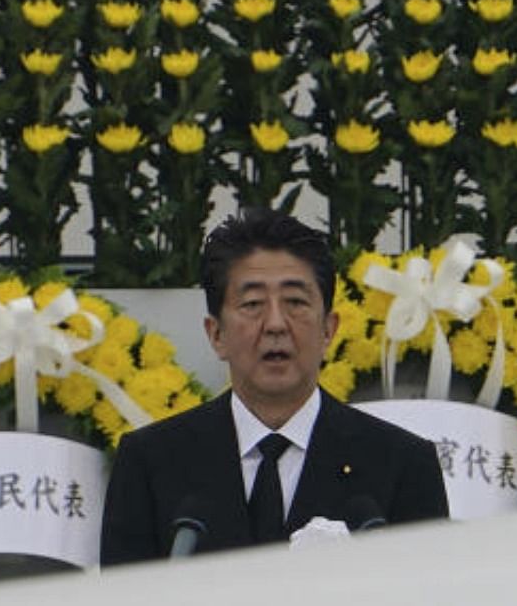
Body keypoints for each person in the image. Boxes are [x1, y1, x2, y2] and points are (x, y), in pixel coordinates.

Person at [100, 208, 448, 566]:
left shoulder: (403, 465)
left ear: (328, 329)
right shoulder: (151, 462)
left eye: (296, 302)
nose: (276, 324)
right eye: (252, 304)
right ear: (216, 334)